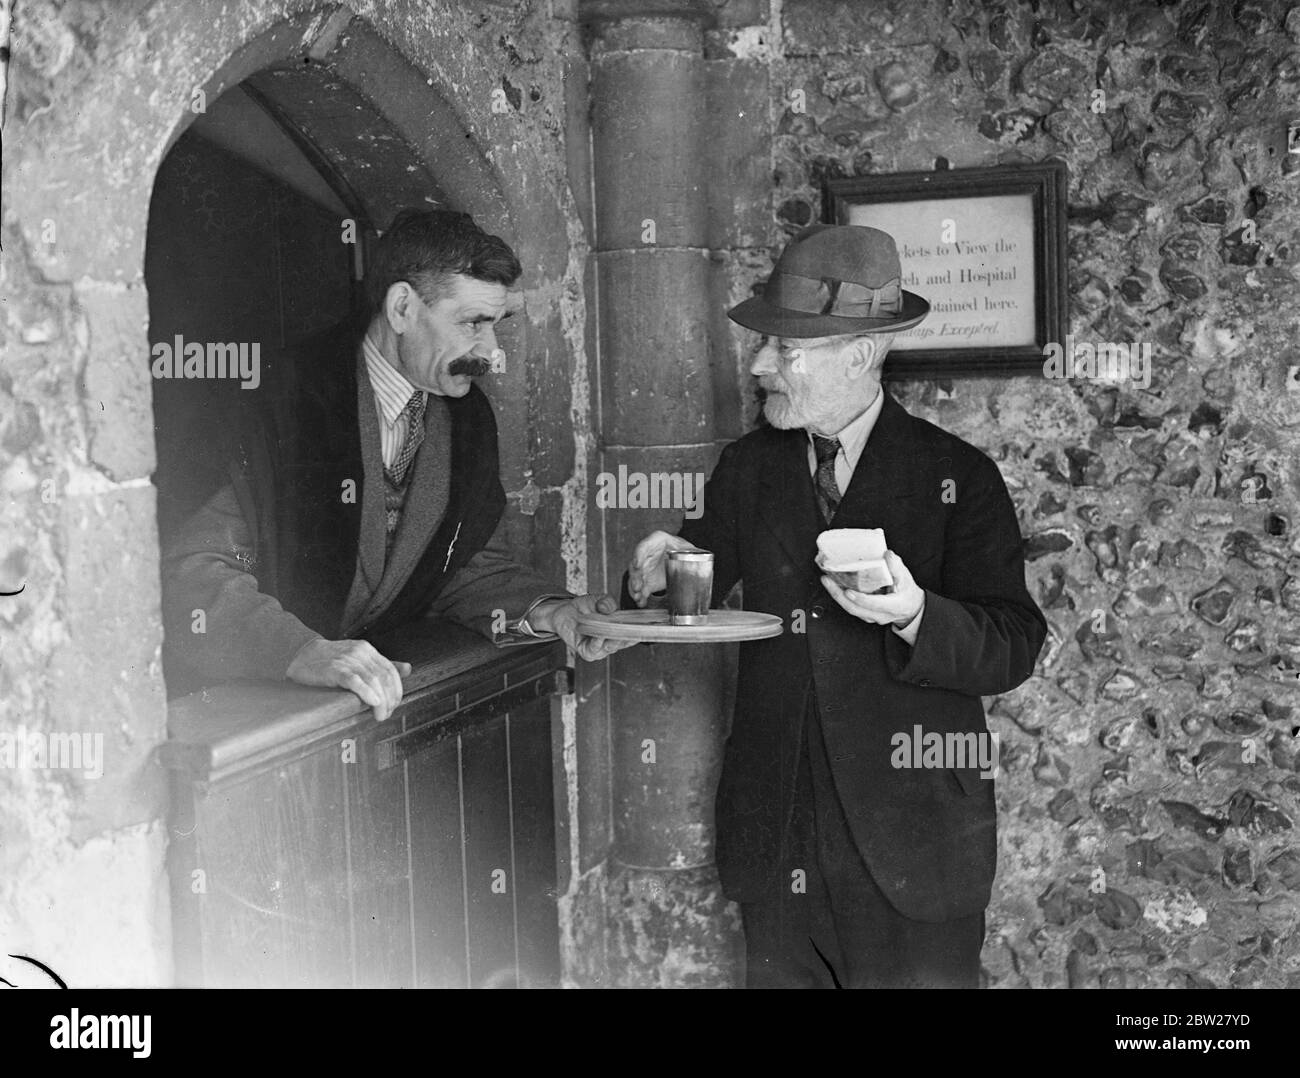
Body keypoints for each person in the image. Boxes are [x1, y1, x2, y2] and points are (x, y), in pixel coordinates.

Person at [627, 224, 1046, 988]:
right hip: (777, 834)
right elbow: (696, 575)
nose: (759, 367)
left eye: (784, 351)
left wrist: (918, 614)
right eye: (767, 347)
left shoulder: (960, 477)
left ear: (858, 356)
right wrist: (657, 572)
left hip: (913, 845)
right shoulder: (747, 469)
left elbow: (1013, 644)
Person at [162, 208, 633, 719]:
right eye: (473, 323)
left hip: (373, 717)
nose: (492, 351)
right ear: (403, 307)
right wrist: (300, 650)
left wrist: (552, 611)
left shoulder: (468, 419)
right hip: (249, 723)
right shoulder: (277, 399)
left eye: (496, 326)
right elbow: (191, 570)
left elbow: (470, 565)